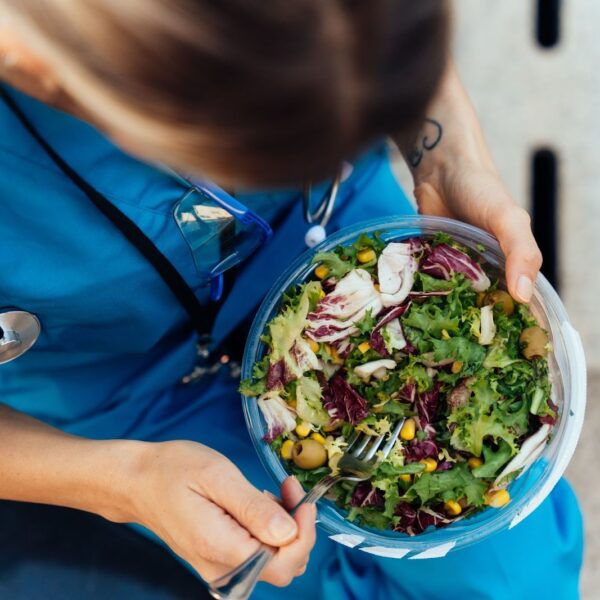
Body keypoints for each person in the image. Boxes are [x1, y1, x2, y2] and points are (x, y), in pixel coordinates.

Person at [0, 1, 582, 599]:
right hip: (107, 379)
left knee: (517, 584)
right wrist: (124, 482)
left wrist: (446, 154)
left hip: (331, 242)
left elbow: (377, 26)